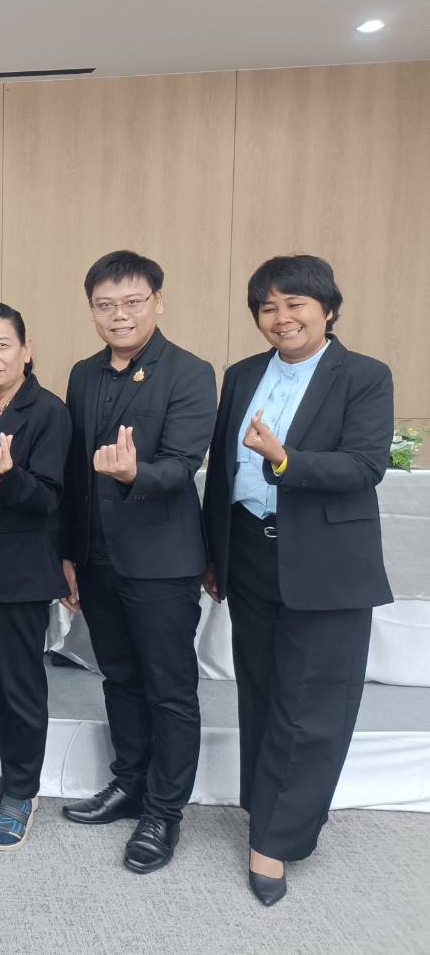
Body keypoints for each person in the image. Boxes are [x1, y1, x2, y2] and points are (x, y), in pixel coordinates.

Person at [201, 255, 393, 906]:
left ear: (327, 309)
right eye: (268, 307)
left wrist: (284, 460)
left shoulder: (363, 376)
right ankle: (269, 808)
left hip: (325, 563)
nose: (281, 318)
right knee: (260, 692)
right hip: (251, 555)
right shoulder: (241, 375)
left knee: (312, 705)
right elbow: (222, 473)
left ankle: (275, 841)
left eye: (295, 304)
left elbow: (364, 466)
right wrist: (214, 553)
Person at [58, 250, 216, 873]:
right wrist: (68, 553)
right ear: (91, 309)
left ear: (158, 302)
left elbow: (182, 465)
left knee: (169, 689)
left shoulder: (190, 372)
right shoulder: (83, 374)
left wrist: (133, 474)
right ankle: (129, 783)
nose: (119, 315)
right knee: (119, 678)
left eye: (131, 302)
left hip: (161, 562)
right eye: (106, 305)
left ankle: (163, 811)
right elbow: (74, 475)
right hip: (97, 561)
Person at [0, 301, 72, 851]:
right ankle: (12, 772)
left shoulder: (47, 412)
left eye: (2, 345)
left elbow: (48, 499)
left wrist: (8, 477)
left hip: (19, 573)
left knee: (21, 686)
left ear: (26, 350)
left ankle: (23, 791)